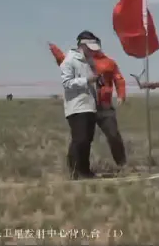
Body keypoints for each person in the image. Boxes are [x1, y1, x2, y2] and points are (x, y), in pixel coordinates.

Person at [50, 31, 127, 171]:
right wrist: (55, 52)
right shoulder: (80, 60)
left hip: (103, 105)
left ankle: (121, 163)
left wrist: (121, 95)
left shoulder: (108, 62)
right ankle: (76, 169)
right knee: (81, 138)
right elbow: (66, 68)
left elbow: (118, 78)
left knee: (112, 135)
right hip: (85, 106)